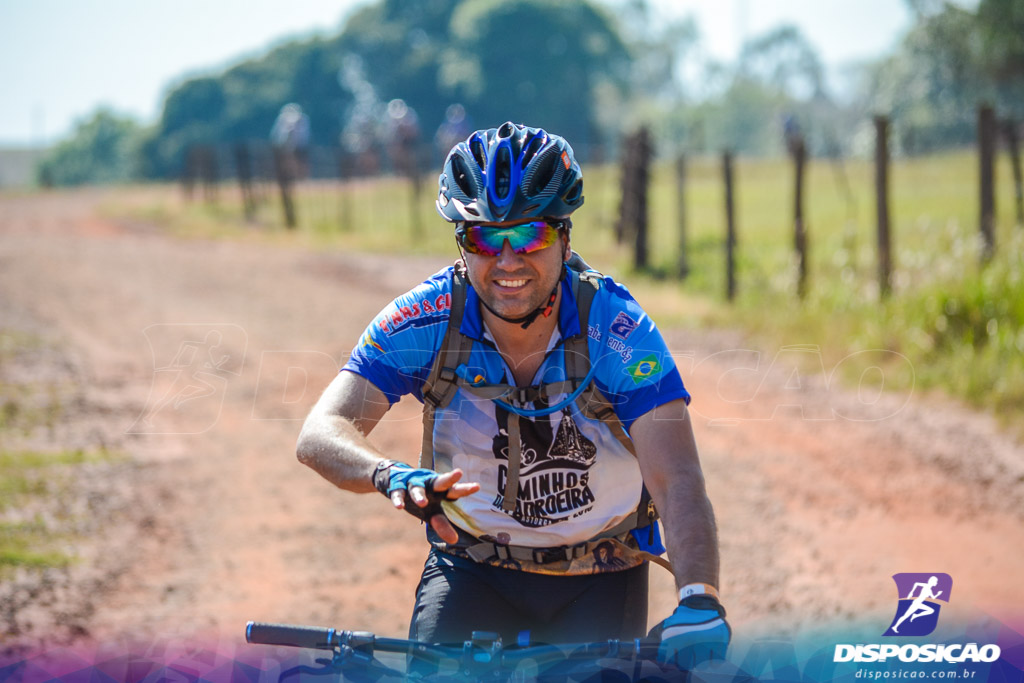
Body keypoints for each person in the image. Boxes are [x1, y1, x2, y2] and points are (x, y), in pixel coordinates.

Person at [296, 121, 729, 670]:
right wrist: (391, 476)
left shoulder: (616, 329)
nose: (507, 261)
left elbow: (677, 480)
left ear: (564, 237)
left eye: (529, 237)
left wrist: (699, 599)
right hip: (472, 569)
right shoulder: (425, 320)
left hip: (600, 574)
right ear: (461, 245)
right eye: (483, 239)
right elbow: (321, 432)